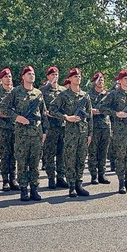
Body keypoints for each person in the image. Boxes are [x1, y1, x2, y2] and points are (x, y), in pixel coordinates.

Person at [5, 65, 48, 201]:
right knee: (22, 162)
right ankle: (23, 189)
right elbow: (4, 107)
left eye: (33, 73)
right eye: (29, 73)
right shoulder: (16, 92)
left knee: (35, 163)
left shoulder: (38, 93)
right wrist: (17, 117)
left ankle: (34, 189)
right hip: (22, 134)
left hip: (36, 133)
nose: (32, 75)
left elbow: (43, 113)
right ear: (23, 77)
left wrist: (45, 131)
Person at [49, 67, 92, 197]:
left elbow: (90, 116)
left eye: (79, 76)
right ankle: (71, 186)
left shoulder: (85, 95)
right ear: (70, 79)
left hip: (83, 132)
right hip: (70, 133)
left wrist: (90, 133)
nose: (78, 78)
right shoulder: (63, 95)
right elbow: (52, 109)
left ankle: (79, 184)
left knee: (81, 159)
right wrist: (66, 117)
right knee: (70, 159)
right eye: (75, 76)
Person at [99, 69, 127, 194]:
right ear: (120, 80)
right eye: (125, 79)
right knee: (120, 157)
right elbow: (102, 107)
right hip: (120, 131)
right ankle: (121, 183)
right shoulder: (114, 94)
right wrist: (116, 113)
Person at [0, 68, 19, 192]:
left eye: (10, 76)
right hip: (3, 128)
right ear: (1, 79)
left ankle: (13, 179)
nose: (9, 78)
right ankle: (5, 181)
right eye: (6, 76)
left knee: (14, 155)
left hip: (16, 127)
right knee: (5, 155)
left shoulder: (16, 92)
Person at [41, 66, 68, 189]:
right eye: (52, 75)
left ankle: (61, 177)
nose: (54, 77)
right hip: (50, 127)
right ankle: (51, 178)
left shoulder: (63, 91)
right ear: (48, 77)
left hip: (62, 126)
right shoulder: (43, 91)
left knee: (62, 153)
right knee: (49, 153)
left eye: (56, 75)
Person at [86, 72, 111, 185]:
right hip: (94, 126)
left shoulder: (108, 94)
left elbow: (112, 109)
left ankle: (102, 174)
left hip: (105, 125)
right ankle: (93, 175)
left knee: (103, 152)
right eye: (99, 80)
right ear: (94, 81)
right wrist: (91, 111)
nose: (101, 82)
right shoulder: (88, 94)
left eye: (102, 80)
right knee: (93, 152)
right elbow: (84, 109)